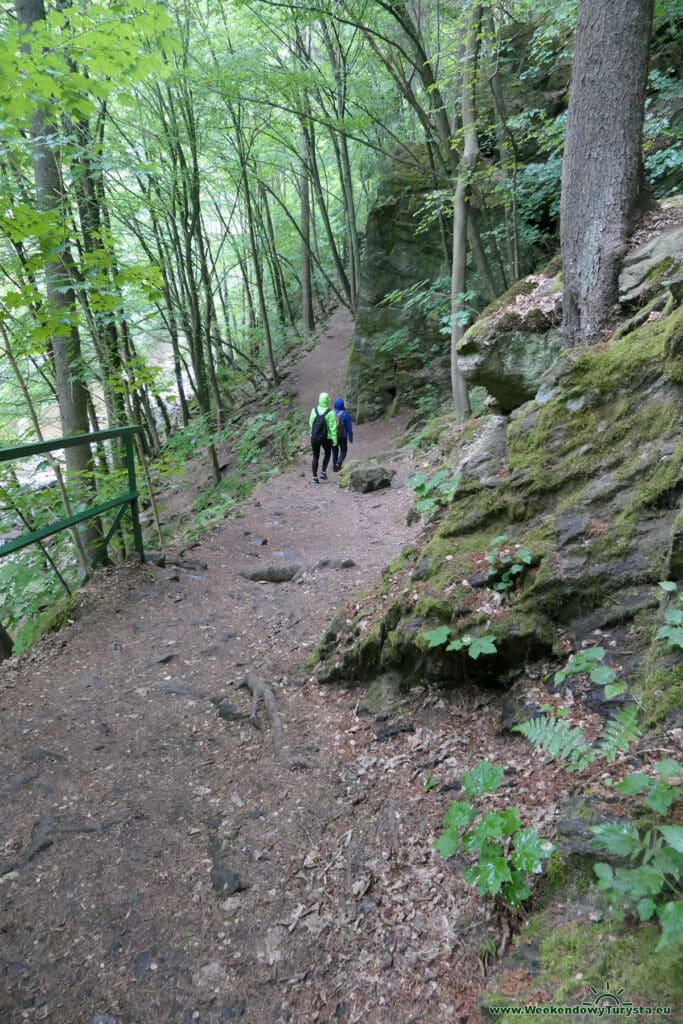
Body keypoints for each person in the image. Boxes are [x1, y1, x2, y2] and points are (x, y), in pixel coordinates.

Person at [309, 392, 337, 484]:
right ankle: (323, 472)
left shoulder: (314, 410)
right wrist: (335, 440)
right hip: (326, 438)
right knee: (328, 453)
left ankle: (314, 478)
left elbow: (311, 423)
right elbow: (333, 428)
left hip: (315, 436)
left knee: (315, 456)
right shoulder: (330, 413)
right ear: (327, 401)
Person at [332, 397, 353, 472]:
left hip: (333, 436)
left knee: (335, 451)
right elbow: (349, 427)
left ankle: (335, 468)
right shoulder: (345, 414)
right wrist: (350, 437)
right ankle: (338, 463)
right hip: (343, 436)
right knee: (343, 451)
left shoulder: (331, 413)